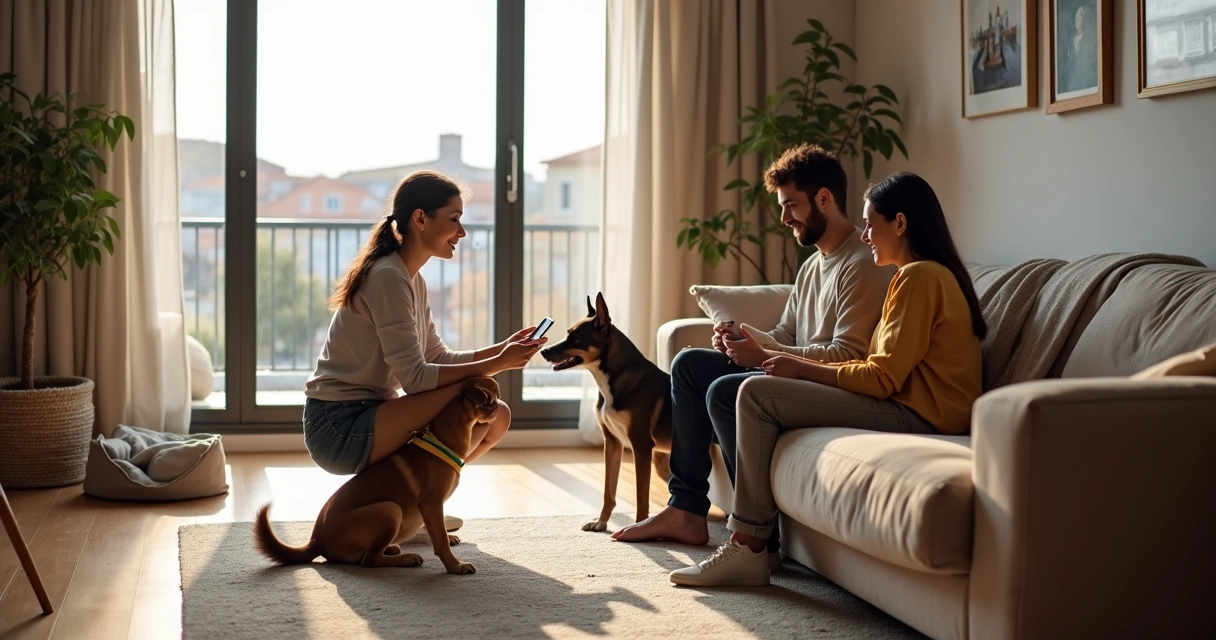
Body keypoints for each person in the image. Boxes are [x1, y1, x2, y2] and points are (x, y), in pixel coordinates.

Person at [669, 171, 987, 587]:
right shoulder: (919, 275)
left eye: (872, 224)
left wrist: (799, 368)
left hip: (922, 415)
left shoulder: (918, 277)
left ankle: (749, 547)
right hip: (910, 405)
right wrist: (763, 348)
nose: (866, 234)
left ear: (901, 224)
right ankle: (747, 542)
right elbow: (879, 369)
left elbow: (881, 377)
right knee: (736, 383)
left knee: (754, 394)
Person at [611, 144, 893, 563]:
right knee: (688, 365)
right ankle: (686, 509)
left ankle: (758, 531)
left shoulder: (862, 263)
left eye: (791, 205)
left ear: (824, 199)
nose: (783, 219)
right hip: (792, 369)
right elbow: (786, 332)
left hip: (827, 383)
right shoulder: (813, 264)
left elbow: (846, 354)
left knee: (724, 390)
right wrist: (740, 335)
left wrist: (761, 352)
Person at [302, 170, 545, 486]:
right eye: (454, 219)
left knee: (496, 418)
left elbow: (436, 356)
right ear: (420, 219)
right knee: (469, 396)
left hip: (371, 410)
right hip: (337, 425)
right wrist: (498, 364)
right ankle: (414, 498)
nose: (462, 232)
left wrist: (502, 349)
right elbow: (416, 379)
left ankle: (417, 500)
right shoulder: (388, 276)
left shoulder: (412, 279)